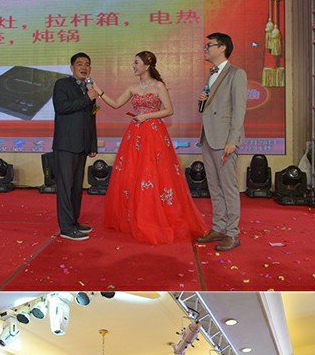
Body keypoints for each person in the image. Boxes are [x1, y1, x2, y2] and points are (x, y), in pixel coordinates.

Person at [96, 51, 204, 246]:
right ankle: (135, 216)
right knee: (134, 172)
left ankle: (155, 216)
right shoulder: (132, 87)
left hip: (154, 133)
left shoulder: (158, 86)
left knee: (155, 172)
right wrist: (99, 92)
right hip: (135, 134)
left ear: (147, 65)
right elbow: (116, 104)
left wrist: (146, 116)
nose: (133, 66)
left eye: (136, 62)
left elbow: (169, 110)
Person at [196, 32, 248, 252]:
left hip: (225, 139)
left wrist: (233, 140)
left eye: (209, 45)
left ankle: (232, 233)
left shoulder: (236, 74)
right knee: (214, 186)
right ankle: (218, 227)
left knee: (228, 187)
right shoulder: (211, 74)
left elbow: (239, 109)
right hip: (208, 137)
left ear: (222, 47)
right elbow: (210, 108)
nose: (205, 49)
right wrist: (202, 102)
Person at [52, 53, 97, 240]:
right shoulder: (62, 84)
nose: (84, 67)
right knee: (65, 187)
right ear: (72, 68)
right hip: (66, 144)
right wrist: (87, 98)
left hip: (82, 145)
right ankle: (66, 228)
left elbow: (91, 118)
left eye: (87, 64)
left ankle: (74, 222)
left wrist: (92, 143)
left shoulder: (89, 88)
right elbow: (61, 107)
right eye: (79, 64)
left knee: (77, 188)